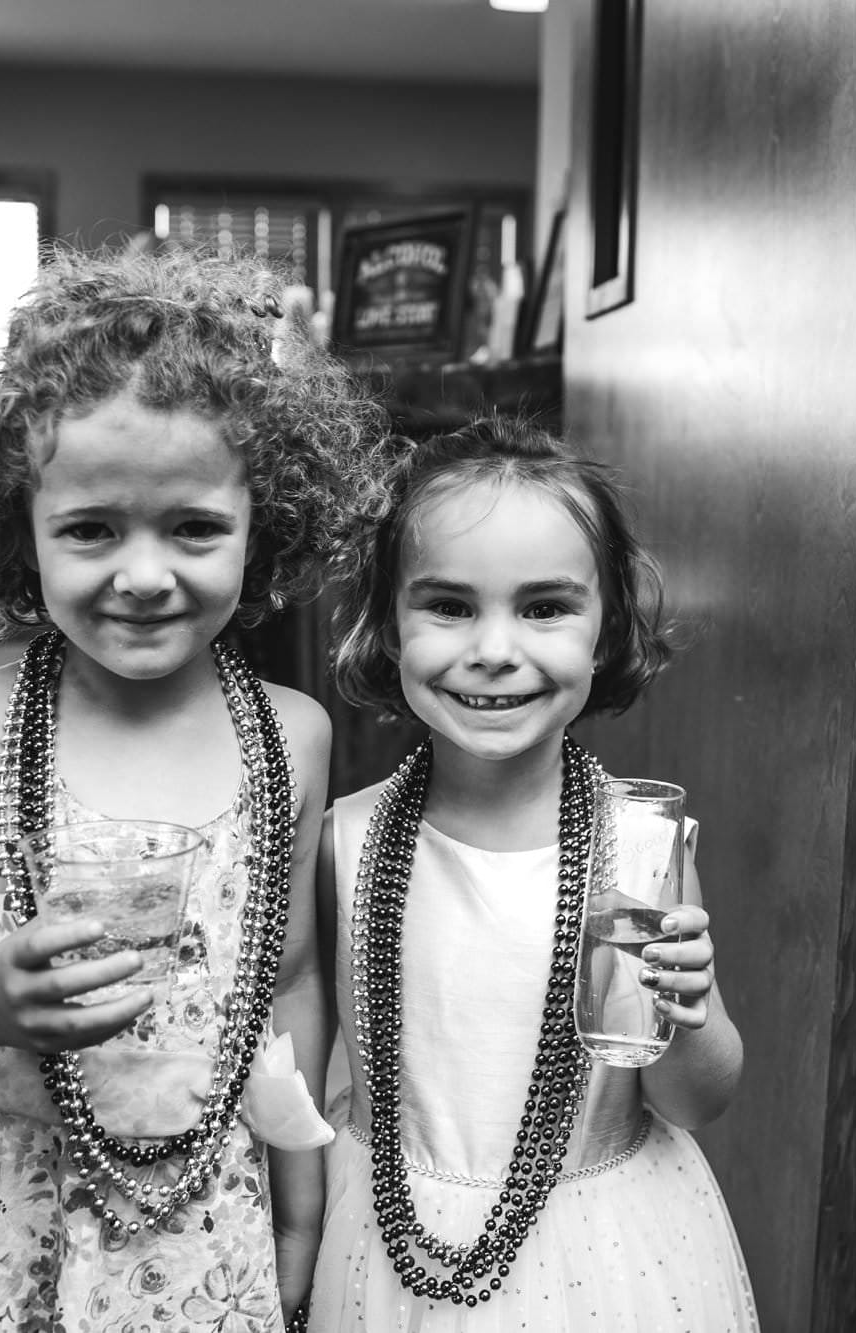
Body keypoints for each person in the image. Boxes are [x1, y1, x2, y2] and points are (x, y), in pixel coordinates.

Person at [0, 244, 386, 1333]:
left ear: (261, 529)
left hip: (207, 1222)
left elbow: (295, 982)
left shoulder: (294, 737)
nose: (141, 575)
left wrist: (300, 1201)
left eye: (192, 527)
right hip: (7, 1213)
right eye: (89, 529)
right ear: (16, 533)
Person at [310, 418, 760, 1331]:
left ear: (605, 634)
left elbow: (694, 1097)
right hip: (393, 1243)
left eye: (545, 607)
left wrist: (691, 1011)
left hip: (604, 1255)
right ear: (388, 629)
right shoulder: (343, 840)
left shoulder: (638, 847)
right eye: (449, 605)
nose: (495, 648)